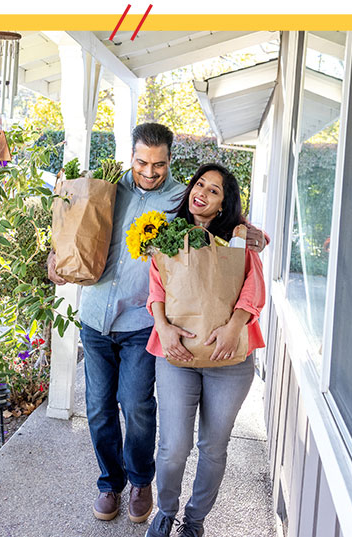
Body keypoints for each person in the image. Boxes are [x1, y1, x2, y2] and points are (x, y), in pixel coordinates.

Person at [47, 124, 267, 524]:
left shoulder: (183, 198)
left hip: (141, 322)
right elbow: (73, 225)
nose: (150, 171)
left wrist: (253, 235)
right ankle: (109, 484)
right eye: (142, 162)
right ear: (130, 157)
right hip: (95, 314)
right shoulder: (108, 188)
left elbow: (228, 224)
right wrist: (55, 255)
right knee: (98, 408)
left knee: (136, 404)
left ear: (170, 160)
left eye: (159, 164)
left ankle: (140, 481)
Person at [145, 163, 266, 537]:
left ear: (223, 205)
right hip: (177, 355)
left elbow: (254, 286)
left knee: (213, 446)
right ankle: (165, 513)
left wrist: (234, 327)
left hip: (229, 361)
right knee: (173, 446)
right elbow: (157, 288)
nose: (203, 193)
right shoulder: (165, 235)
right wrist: (163, 328)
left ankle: (194, 521)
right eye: (200, 184)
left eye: (214, 191)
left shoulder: (238, 239)